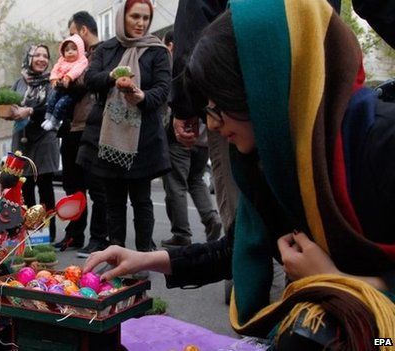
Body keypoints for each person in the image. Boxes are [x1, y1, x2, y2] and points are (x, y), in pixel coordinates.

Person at [86, 0, 395, 348]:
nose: (213, 124)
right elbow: (232, 250)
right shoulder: (272, 159)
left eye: (219, 105)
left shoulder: (381, 144)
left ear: (268, 87)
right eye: (206, 109)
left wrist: (333, 280)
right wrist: (145, 259)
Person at [78, 0, 171, 258]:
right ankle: (116, 256)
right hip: (108, 138)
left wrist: (142, 97)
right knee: (114, 202)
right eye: (135, 17)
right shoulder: (107, 49)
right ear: (122, 17)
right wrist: (112, 77)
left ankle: (144, 254)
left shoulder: (157, 51)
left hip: (143, 139)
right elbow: (90, 80)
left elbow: (163, 89)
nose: (141, 24)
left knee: (142, 201)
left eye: (145, 18)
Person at [53, 11, 109, 257]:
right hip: (71, 128)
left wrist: (66, 81)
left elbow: (87, 82)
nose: (70, 42)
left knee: (97, 187)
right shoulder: (72, 58)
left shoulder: (105, 52)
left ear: (83, 31)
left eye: (73, 34)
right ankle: (75, 234)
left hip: (93, 128)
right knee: (72, 186)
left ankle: (99, 239)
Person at [160, 30, 222, 248]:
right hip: (205, 136)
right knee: (195, 179)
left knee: (175, 182)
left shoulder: (176, 65)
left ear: (170, 45)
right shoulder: (207, 58)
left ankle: (181, 233)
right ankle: (211, 218)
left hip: (182, 133)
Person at [10, 45, 60, 242]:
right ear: (28, 58)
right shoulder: (18, 83)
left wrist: (29, 111)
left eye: (45, 56)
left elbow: (51, 106)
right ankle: (31, 234)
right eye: (37, 55)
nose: (41, 59)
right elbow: (10, 106)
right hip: (23, 142)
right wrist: (11, 112)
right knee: (26, 188)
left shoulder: (52, 82)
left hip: (45, 140)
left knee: (45, 189)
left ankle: (48, 234)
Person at [40, 34, 88, 131]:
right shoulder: (61, 61)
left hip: (71, 91)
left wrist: (68, 77)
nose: (70, 52)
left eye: (74, 49)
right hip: (60, 87)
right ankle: (48, 118)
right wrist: (54, 79)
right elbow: (54, 70)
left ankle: (55, 122)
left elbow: (77, 70)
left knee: (60, 104)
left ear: (80, 50)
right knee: (52, 99)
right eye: (67, 50)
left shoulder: (82, 60)